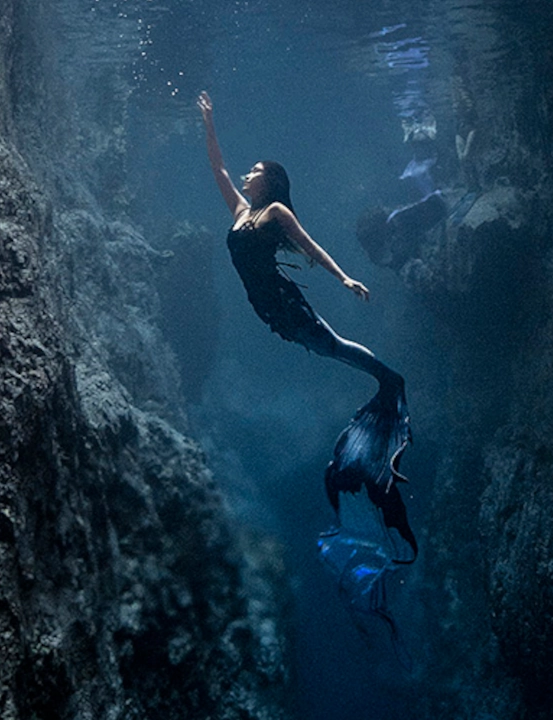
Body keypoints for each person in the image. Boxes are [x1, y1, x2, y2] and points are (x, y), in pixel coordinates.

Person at [198, 91, 417, 561]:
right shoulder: (241, 213)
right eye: (251, 169)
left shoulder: (275, 213)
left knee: (330, 345)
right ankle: (385, 380)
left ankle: (389, 380)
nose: (248, 173)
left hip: (283, 303)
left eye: (257, 170)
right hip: (268, 311)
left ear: (271, 181)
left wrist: (344, 278)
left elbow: (311, 247)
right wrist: (209, 122)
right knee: (324, 347)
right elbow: (217, 169)